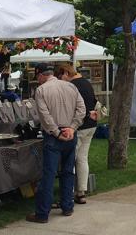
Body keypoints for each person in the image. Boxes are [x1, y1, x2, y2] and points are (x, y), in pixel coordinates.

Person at [26, 63, 85, 224]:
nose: (38, 80)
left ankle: (42, 214)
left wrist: (57, 132)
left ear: (41, 75)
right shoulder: (71, 86)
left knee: (49, 175)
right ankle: (67, 206)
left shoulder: (41, 90)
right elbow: (81, 109)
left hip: (54, 136)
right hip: (70, 134)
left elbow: (44, 116)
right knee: (68, 172)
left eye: (37, 77)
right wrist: (72, 128)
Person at [57, 63, 98, 205]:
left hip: (79, 126)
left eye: (60, 76)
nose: (60, 80)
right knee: (82, 158)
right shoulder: (87, 83)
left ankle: (69, 192)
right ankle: (81, 192)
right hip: (91, 125)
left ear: (65, 73)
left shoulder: (72, 86)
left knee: (71, 159)